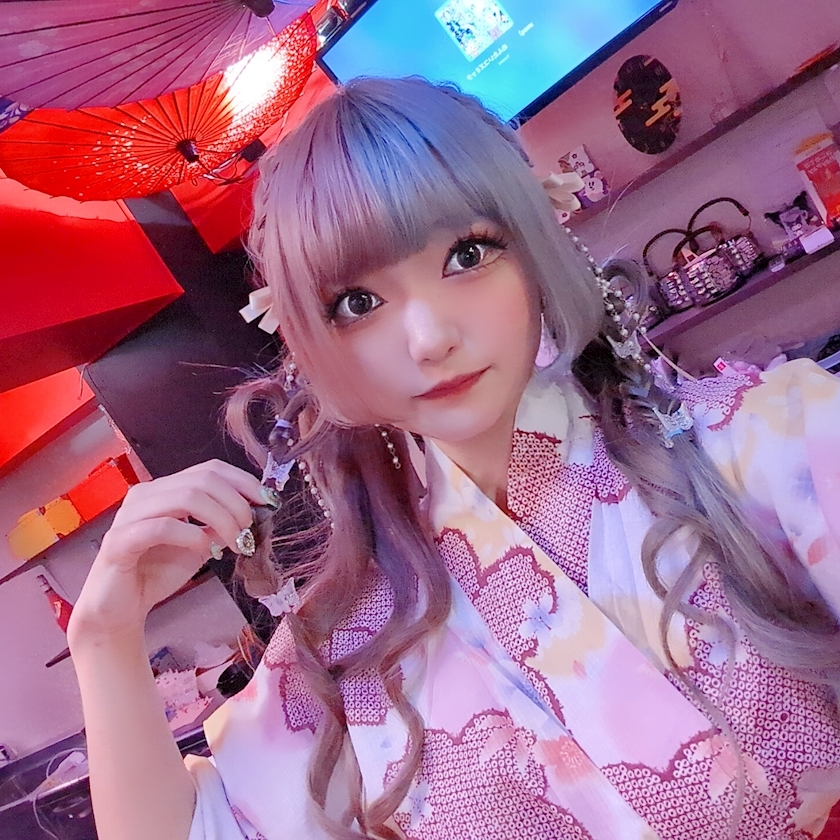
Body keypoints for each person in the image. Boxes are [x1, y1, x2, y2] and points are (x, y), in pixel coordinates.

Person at [67, 76, 840, 840]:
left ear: (534, 245)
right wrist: (103, 642)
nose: (429, 337)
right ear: (311, 344)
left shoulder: (770, 441)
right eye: (357, 304)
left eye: (468, 254)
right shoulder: (350, 633)